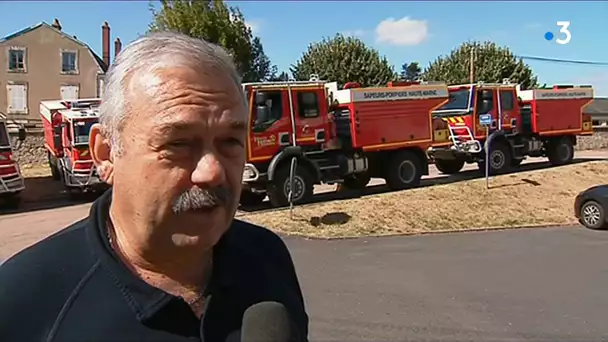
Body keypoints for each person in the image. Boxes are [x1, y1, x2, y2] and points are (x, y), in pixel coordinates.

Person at [0, 31, 309, 342]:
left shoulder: (268, 258)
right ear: (106, 153)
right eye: (178, 143)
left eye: (230, 141)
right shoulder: (22, 301)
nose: (212, 172)